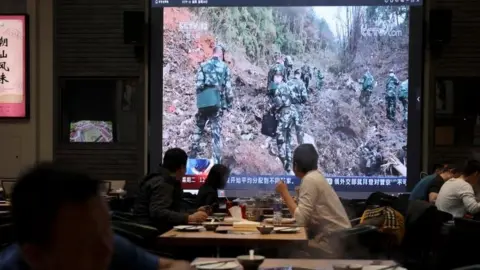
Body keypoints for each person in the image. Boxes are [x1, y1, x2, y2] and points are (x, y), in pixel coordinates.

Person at [0, 163, 190, 270]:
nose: (106, 248)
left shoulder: (109, 245)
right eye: (84, 242)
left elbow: (174, 266)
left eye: (107, 229)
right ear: (36, 256)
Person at [275, 144, 351, 257]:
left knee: (284, 249)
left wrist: (284, 193)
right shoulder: (315, 176)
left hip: (330, 243)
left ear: (295, 165)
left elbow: (301, 221)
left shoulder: (309, 180)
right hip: (339, 240)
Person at [134, 148, 208, 233]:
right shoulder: (164, 183)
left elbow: (172, 209)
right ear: (182, 167)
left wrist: (195, 212)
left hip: (149, 229)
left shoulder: (159, 177)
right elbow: (158, 212)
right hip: (153, 233)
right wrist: (189, 218)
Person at [191, 44, 233, 165]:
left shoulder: (203, 66)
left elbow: (198, 86)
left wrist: (203, 99)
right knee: (216, 134)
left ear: (213, 53)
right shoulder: (224, 67)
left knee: (198, 129)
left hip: (203, 104)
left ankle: (192, 156)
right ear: (221, 54)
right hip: (216, 104)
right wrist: (229, 104)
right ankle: (216, 164)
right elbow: (228, 90)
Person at [272, 70, 295, 173]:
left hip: (284, 114)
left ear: (279, 77)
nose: (274, 79)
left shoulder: (278, 88)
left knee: (280, 136)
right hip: (291, 114)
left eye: (275, 77)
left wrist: (272, 109)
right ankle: (289, 161)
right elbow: (294, 99)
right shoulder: (288, 86)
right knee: (289, 137)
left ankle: (284, 162)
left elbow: (278, 103)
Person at [287, 69, 308, 145]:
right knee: (299, 128)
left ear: (294, 74)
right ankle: (301, 145)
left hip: (288, 106)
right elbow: (305, 98)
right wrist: (301, 102)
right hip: (298, 107)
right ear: (299, 74)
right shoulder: (301, 83)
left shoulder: (288, 82)